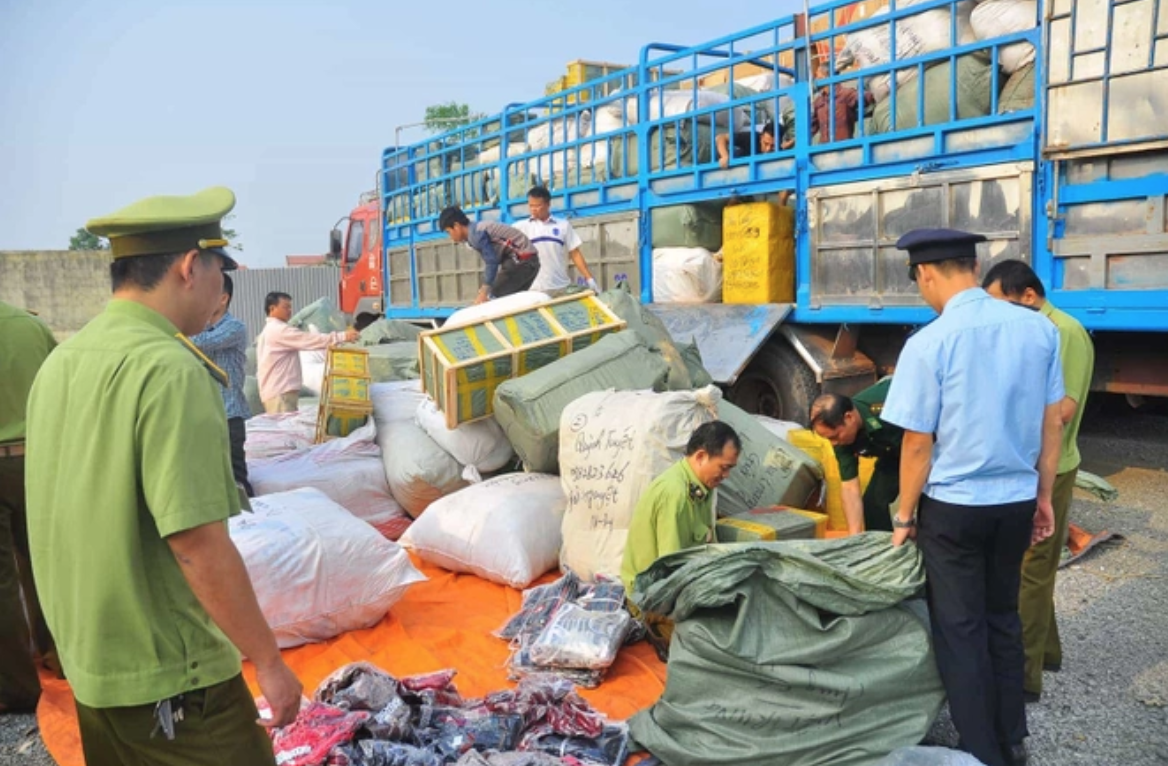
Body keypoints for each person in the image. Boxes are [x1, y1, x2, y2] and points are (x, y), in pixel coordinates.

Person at [25, 186, 302, 765]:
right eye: (220, 271)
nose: (221, 290)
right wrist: (270, 662)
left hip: (93, 667)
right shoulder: (171, 369)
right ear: (189, 267)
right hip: (173, 681)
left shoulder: (61, 362)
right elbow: (197, 544)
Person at [881, 228, 1063, 766]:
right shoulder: (1038, 329)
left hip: (955, 508)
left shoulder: (929, 342)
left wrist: (903, 515)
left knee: (961, 630)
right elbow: (1052, 423)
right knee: (1002, 615)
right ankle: (1012, 736)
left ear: (925, 274)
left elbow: (918, 443)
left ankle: (982, 751)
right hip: (1016, 501)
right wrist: (1044, 497)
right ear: (975, 266)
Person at [982, 259, 1095, 703]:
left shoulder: (1063, 332)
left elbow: (1062, 410)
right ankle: (1046, 652)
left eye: (1001, 303)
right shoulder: (1033, 329)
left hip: (1052, 466)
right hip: (1029, 464)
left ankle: (1022, 677)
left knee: (1030, 571)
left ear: (1028, 295)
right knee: (1032, 565)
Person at [0, 301, 57, 713]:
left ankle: (18, 686)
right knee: (46, 563)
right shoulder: (30, 326)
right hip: (38, 457)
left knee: (3, 583)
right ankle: (63, 657)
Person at [621, 421, 741, 598]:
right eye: (724, 467)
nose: (726, 475)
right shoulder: (676, 494)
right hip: (650, 596)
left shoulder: (701, 487)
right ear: (701, 457)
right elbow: (672, 572)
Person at [808, 378, 902, 535]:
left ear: (849, 418)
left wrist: (907, 515)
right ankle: (881, 547)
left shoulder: (888, 408)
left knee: (929, 506)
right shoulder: (841, 439)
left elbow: (920, 446)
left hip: (929, 444)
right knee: (874, 503)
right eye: (828, 439)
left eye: (835, 436)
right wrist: (854, 537)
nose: (833, 443)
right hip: (893, 453)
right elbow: (849, 487)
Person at [191, 273, 253, 496]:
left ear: (223, 298)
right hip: (207, 415)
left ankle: (252, 513)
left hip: (229, 415)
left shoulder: (234, 327)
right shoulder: (202, 328)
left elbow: (197, 344)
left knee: (236, 479)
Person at [256, 291, 358, 414]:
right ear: (272, 308)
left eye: (290, 307)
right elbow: (308, 340)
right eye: (285, 307)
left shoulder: (268, 331)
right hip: (281, 393)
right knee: (284, 425)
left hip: (276, 392)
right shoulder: (279, 330)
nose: (289, 311)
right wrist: (341, 337)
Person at [438, 206, 540, 304]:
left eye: (448, 232)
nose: (450, 237)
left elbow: (492, 262)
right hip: (527, 261)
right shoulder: (476, 229)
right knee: (511, 300)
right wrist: (485, 287)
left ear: (456, 226)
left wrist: (484, 291)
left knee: (492, 296)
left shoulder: (476, 235)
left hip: (523, 260)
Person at [514, 186, 600, 296]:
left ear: (548, 204)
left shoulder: (563, 225)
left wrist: (589, 278)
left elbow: (575, 253)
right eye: (531, 206)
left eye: (537, 206)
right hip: (533, 289)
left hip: (560, 287)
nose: (533, 209)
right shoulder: (520, 228)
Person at [810, 62, 874, 144]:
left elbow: (868, 97)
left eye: (817, 74)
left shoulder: (846, 94)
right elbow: (811, 127)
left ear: (825, 75)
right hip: (824, 149)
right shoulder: (818, 101)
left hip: (844, 146)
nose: (816, 78)